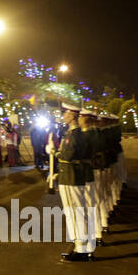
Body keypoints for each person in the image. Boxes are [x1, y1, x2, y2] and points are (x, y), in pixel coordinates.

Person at [54, 104, 96, 262]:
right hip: (71, 175)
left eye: (65, 113)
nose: (63, 116)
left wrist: (54, 152)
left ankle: (82, 249)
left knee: (75, 212)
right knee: (76, 212)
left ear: (72, 115)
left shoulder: (74, 134)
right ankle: (81, 245)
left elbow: (68, 154)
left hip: (71, 176)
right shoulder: (73, 133)